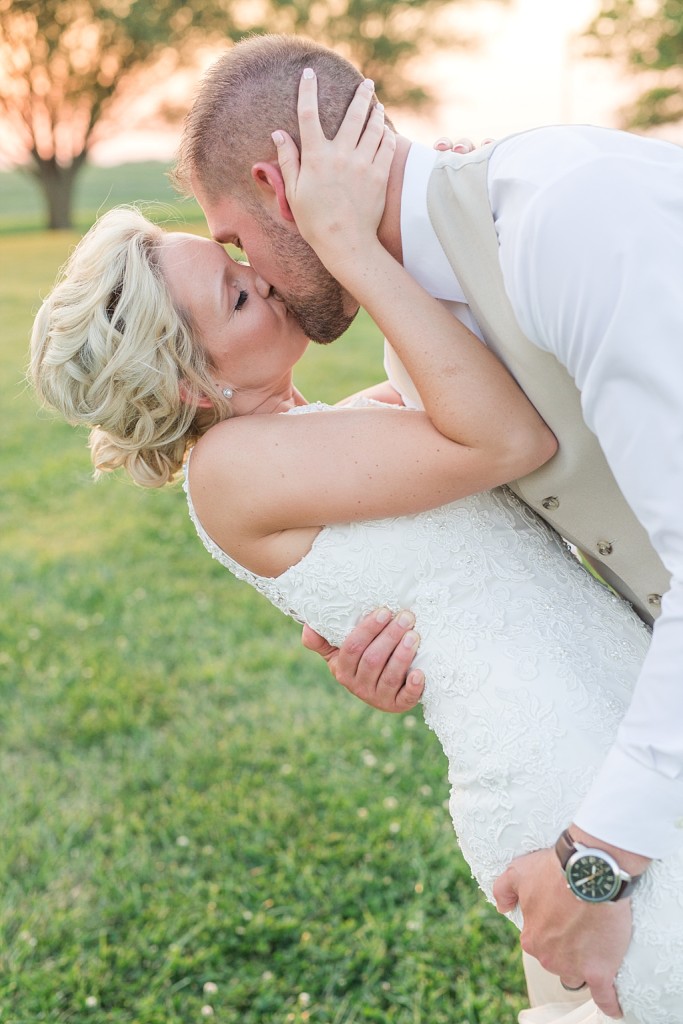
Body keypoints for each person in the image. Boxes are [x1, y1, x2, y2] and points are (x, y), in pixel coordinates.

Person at [30, 77, 683, 1024]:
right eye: (236, 288)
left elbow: (489, 397)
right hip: (558, 771)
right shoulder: (230, 472)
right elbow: (503, 438)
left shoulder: (307, 434)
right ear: (186, 381)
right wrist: (348, 246)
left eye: (237, 258)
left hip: (608, 719)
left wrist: (432, 205)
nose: (260, 278)